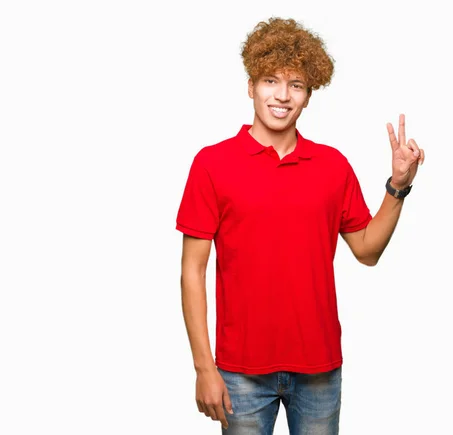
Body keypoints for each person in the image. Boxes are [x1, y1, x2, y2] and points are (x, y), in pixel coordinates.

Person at [175, 17, 425, 435]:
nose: (282, 95)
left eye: (296, 84)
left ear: (309, 95)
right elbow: (192, 271)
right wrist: (204, 367)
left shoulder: (332, 166)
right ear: (251, 85)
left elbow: (366, 250)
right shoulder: (212, 164)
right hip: (240, 372)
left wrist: (397, 188)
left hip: (320, 371)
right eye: (270, 80)